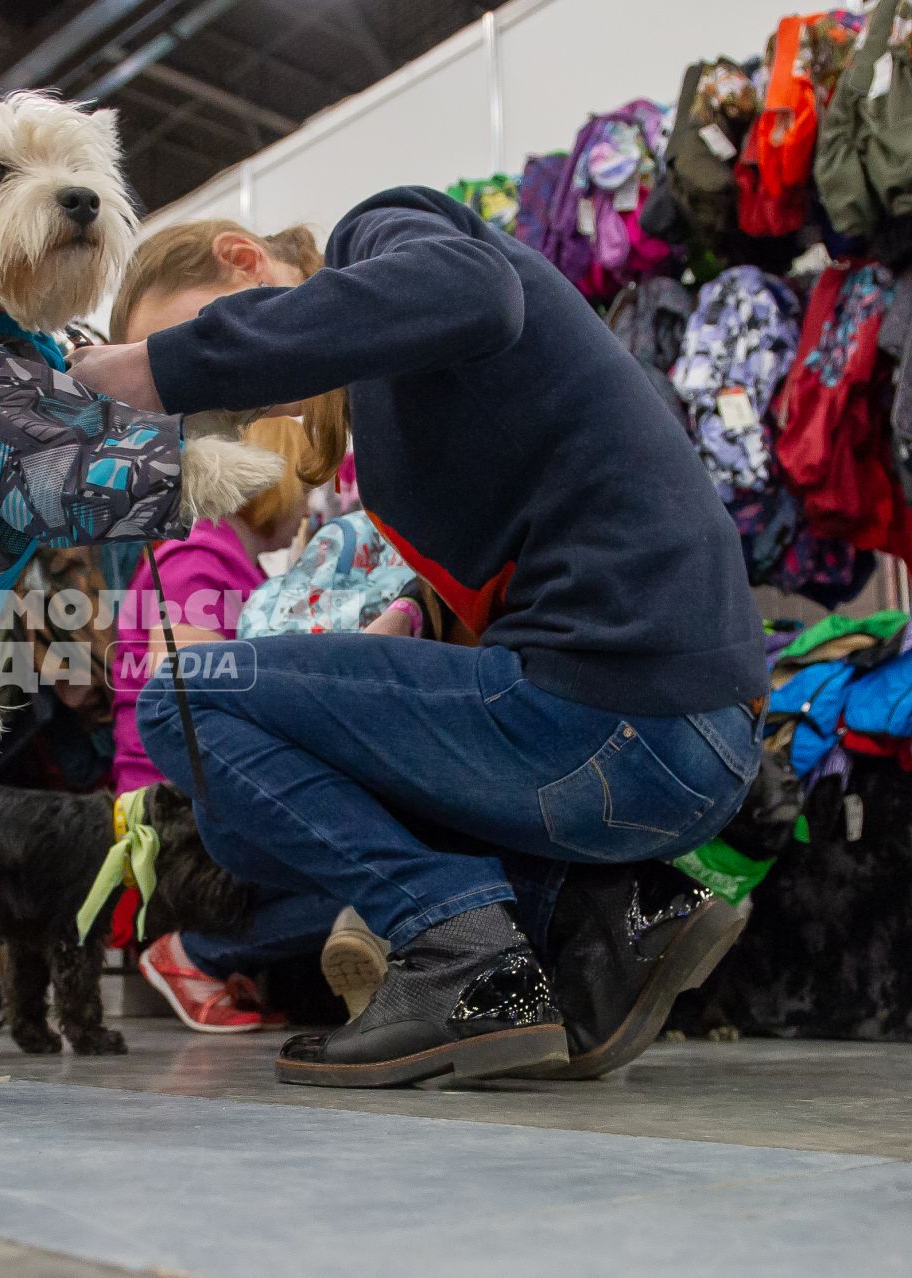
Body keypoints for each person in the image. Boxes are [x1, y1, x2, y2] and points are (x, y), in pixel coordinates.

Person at [68, 187, 765, 1088]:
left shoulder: (381, 233)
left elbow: (476, 290)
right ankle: (609, 913)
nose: (218, 388)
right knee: (232, 823)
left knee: (189, 697)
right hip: (671, 733)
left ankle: (462, 952)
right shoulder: (391, 419)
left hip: (627, 714)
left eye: (196, 335)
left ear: (246, 261)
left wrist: (153, 369)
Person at [108, 225, 388, 1033]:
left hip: (181, 808)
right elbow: (190, 709)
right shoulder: (195, 559)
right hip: (166, 824)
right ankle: (196, 949)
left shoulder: (222, 565)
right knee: (374, 873)